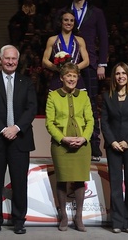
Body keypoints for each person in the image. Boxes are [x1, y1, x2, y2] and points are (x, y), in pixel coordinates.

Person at [0, 45, 37, 235]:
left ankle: (19, 220)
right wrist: (4, 129)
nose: (11, 62)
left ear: (17, 60)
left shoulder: (27, 82)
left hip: (20, 139)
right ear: (0, 59)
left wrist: (16, 128)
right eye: (7, 58)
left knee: (20, 182)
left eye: (14, 59)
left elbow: (31, 109)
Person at [59, 0, 108, 161]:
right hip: (67, 66)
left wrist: (102, 64)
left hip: (90, 65)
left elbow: (103, 38)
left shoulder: (96, 12)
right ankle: (67, 141)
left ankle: (94, 145)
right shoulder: (63, 12)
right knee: (67, 104)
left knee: (92, 105)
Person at [45, 62, 94, 232]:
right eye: (68, 75)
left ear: (77, 78)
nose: (71, 79)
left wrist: (84, 138)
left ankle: (79, 217)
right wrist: (63, 138)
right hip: (61, 145)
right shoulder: (53, 96)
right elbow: (49, 123)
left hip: (82, 145)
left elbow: (90, 120)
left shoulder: (84, 96)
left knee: (80, 179)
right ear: (61, 78)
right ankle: (64, 216)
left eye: (74, 76)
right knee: (62, 179)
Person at [101, 62, 128, 234]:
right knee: (115, 184)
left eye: (123, 73)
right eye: (118, 73)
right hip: (113, 146)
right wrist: (112, 141)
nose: (121, 76)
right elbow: (104, 122)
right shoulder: (107, 96)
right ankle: (117, 221)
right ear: (114, 77)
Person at [42, 9, 89, 90]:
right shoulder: (52, 40)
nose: (69, 23)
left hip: (75, 79)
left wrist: (72, 70)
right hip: (58, 78)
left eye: (72, 20)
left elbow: (86, 61)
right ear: (60, 22)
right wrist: (58, 69)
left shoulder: (80, 40)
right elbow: (44, 60)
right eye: (66, 20)